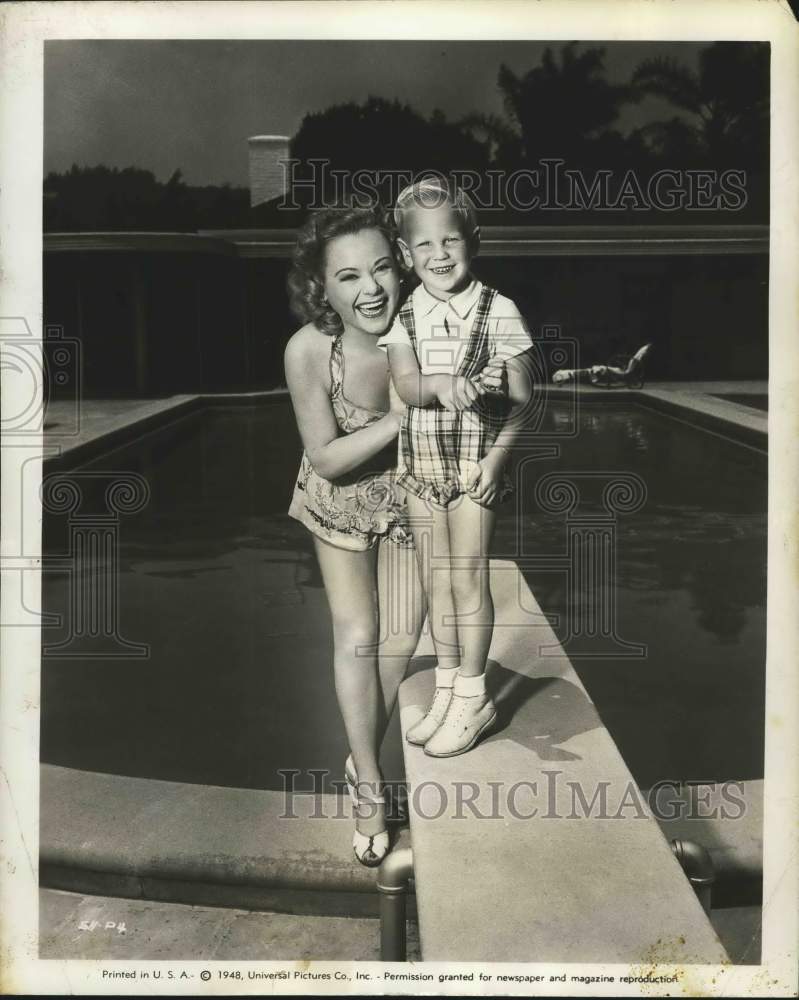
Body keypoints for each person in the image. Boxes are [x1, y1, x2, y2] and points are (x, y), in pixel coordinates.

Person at [284, 205, 504, 865]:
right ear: (322, 288)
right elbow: (324, 458)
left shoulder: (431, 329)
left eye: (381, 266)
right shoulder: (308, 351)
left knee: (401, 637)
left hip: (412, 496)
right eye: (348, 276)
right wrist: (401, 419)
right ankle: (370, 784)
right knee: (356, 636)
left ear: (403, 264)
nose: (371, 288)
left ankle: (359, 761)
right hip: (340, 499)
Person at [378, 178, 534, 758]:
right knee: (434, 580)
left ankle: (475, 698)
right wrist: (443, 384)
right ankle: (447, 688)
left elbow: (524, 399)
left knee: (467, 578)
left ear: (472, 241)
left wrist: (497, 458)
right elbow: (407, 384)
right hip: (421, 467)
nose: (439, 255)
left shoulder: (498, 310)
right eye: (424, 245)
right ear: (405, 253)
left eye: (450, 241)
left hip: (473, 468)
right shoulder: (407, 314)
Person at [552, 342, 652, 386]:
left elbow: (632, 364)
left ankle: (565, 375)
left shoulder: (633, 362)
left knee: (592, 370)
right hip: (618, 370)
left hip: (618, 371)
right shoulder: (633, 361)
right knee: (592, 370)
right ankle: (567, 375)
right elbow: (632, 362)